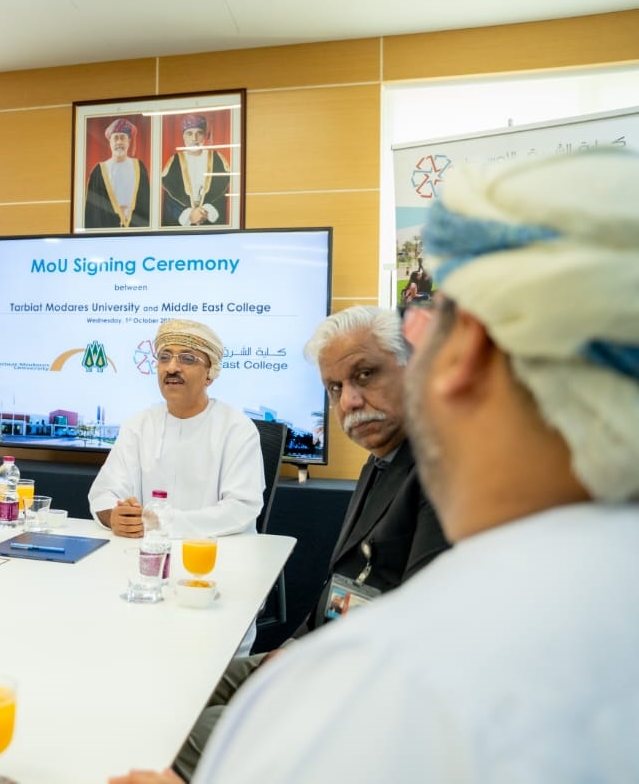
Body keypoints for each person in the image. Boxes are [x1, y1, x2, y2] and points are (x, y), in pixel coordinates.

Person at [115, 149, 639, 783]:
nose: (349, 402)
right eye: (335, 388)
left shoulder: (422, 660)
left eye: (427, 330)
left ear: (464, 351)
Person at [168, 306, 449, 780]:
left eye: (365, 375)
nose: (350, 401)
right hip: (324, 654)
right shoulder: (383, 459)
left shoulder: (440, 470)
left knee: (191, 733)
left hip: (363, 690)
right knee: (176, 696)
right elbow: (341, 586)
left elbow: (419, 630)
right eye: (335, 388)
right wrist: (295, 646)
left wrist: (309, 671)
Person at [88, 319, 263, 539]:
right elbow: (104, 493)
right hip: (145, 550)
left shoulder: (237, 428)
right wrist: (115, 516)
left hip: (216, 550)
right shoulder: (138, 425)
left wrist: (163, 523)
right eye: (164, 357)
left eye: (187, 359)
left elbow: (241, 508)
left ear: (210, 373)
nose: (171, 368)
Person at [161, 114, 230, 227]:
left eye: (199, 133)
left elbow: (223, 194)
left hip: (210, 225)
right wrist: (189, 215)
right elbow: (170, 200)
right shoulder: (174, 162)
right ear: (183, 136)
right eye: (189, 133)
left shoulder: (217, 159)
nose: (194, 138)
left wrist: (205, 212)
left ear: (205, 136)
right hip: (182, 227)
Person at [85, 117, 150, 229]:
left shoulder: (139, 167)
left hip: (136, 231)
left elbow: (146, 202)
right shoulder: (99, 171)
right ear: (110, 141)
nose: (119, 142)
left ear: (129, 141)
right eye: (115, 138)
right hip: (107, 231)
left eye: (122, 138)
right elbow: (93, 210)